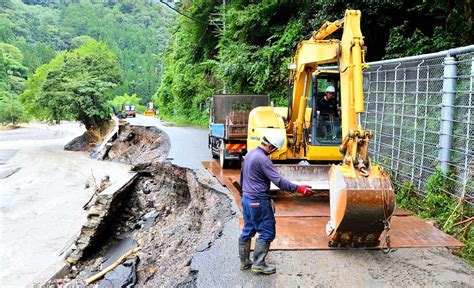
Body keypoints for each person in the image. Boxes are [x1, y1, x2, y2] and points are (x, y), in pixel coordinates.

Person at [238, 131, 313, 275]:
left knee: (248, 229)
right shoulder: (263, 159)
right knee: (267, 232)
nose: (274, 152)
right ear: (271, 146)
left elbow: (242, 177)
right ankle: (258, 264)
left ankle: (244, 261)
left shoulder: (250, 154)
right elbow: (279, 181)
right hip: (259, 201)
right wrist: (300, 189)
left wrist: (245, 194)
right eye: (275, 149)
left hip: (247, 199)